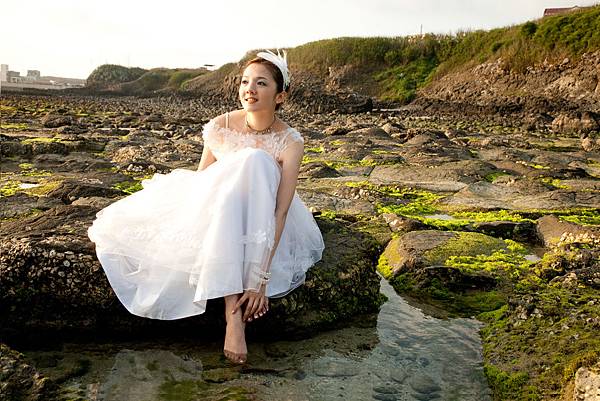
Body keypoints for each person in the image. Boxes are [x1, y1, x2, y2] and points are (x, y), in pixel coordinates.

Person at [87, 49, 325, 365]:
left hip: (263, 223)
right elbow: (203, 183)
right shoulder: (219, 126)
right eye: (245, 82)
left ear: (280, 96)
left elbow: (280, 210)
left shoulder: (290, 141)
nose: (249, 89)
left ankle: (236, 309)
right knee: (236, 183)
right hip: (218, 209)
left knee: (256, 162)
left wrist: (260, 278)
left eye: (261, 83)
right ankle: (233, 316)